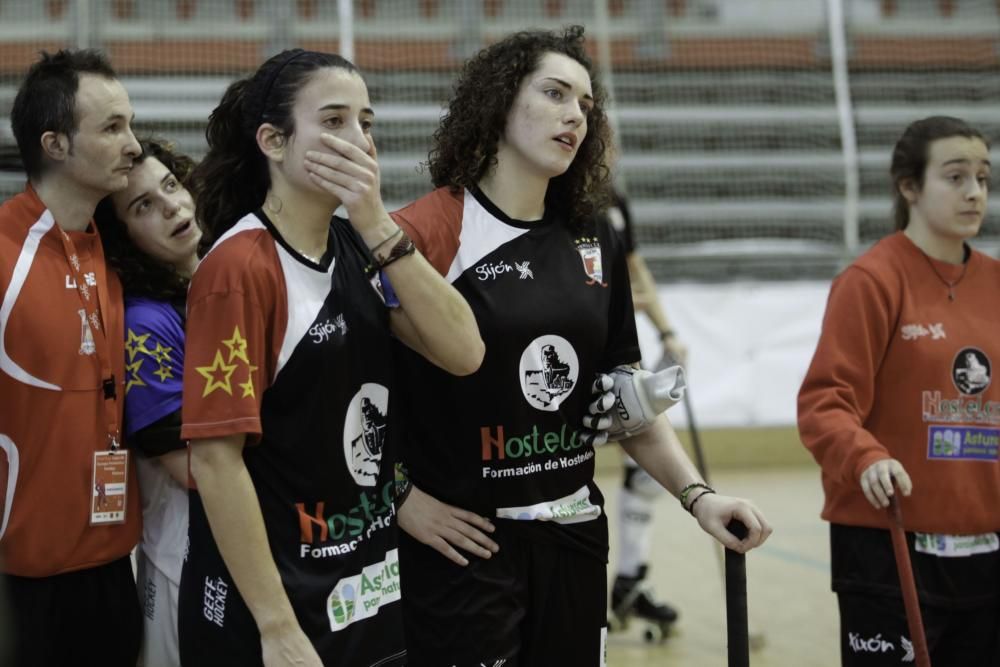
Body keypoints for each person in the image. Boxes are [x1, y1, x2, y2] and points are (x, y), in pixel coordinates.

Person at [358, 26, 771, 666]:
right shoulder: (426, 232)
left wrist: (699, 497)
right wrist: (401, 501)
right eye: (554, 94)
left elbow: (622, 400)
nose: (574, 115)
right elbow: (354, 395)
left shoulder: (595, 236)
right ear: (498, 104)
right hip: (466, 550)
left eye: (584, 103)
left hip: (576, 538)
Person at [178, 48, 484, 667]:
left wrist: (373, 220)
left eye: (366, 123)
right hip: (278, 602)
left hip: (363, 584)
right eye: (335, 121)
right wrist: (276, 626)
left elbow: (464, 352)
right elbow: (215, 462)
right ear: (273, 140)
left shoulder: (358, 243)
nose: (358, 140)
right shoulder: (239, 269)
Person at [798, 116, 1000, 665]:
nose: (974, 192)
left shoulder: (996, 285)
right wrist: (864, 458)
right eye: (955, 177)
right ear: (909, 187)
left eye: (983, 178)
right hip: (888, 548)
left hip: (987, 551)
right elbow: (824, 403)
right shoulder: (871, 282)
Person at [0, 49, 142, 666]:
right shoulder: (4, 256)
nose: (133, 145)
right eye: (112, 128)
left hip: (114, 566)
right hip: (21, 582)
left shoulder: (116, 252)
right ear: (54, 144)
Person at [94, 137, 204, 667]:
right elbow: (190, 469)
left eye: (171, 185)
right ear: (122, 238)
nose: (172, 207)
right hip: (182, 558)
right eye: (144, 207)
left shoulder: (226, 280)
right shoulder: (145, 324)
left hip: (255, 539)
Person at [602, 187, 688, 634]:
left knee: (643, 468)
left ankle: (629, 584)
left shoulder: (613, 201)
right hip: (559, 350)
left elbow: (634, 269)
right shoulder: (545, 188)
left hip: (611, 349)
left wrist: (668, 331)